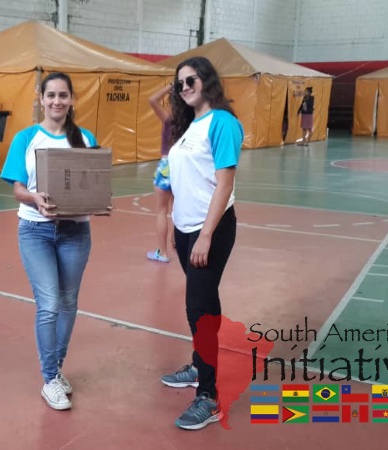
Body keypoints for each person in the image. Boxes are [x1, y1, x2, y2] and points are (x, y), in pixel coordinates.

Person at [0, 72, 98, 411]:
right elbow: (18, 189)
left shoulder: (84, 138)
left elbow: (92, 185)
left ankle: (56, 370)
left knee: (68, 303)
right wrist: (35, 199)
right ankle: (50, 378)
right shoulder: (26, 138)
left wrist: (95, 202)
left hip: (76, 232)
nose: (57, 101)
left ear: (71, 100)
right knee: (50, 304)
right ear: (41, 99)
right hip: (35, 231)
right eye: (51, 95)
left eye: (63, 95)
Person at [159, 56, 243, 430]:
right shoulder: (189, 126)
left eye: (190, 80)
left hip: (212, 228)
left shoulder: (222, 122)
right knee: (204, 302)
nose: (185, 87)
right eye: (179, 83)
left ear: (206, 80)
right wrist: (177, 228)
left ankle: (208, 398)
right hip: (186, 229)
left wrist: (205, 235)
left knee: (198, 308)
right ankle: (199, 365)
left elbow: (224, 184)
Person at [146, 84, 175, 264]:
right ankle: (181, 243)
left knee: (162, 211)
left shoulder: (169, 119)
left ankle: (163, 252)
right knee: (180, 210)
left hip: (167, 165)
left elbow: (152, 99)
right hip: (183, 166)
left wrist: (170, 85)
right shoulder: (192, 122)